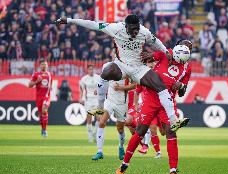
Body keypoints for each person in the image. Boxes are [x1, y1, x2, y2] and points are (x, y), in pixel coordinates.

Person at [55, 14, 189, 132]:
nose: (136, 31)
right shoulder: (115, 28)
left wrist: (166, 51)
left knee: (160, 85)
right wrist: (69, 20)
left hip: (139, 68)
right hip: (122, 66)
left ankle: (173, 120)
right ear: (126, 26)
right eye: (133, 29)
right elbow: (93, 25)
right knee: (106, 71)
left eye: (137, 28)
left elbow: (156, 42)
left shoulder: (144, 32)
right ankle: (100, 107)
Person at [115, 44, 192, 174]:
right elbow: (150, 57)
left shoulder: (187, 67)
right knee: (140, 131)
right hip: (150, 98)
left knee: (170, 132)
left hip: (167, 102)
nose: (181, 62)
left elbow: (182, 92)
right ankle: (123, 166)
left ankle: (173, 172)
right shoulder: (165, 53)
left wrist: (180, 86)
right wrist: (147, 55)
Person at [92, 62, 136, 161]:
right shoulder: (108, 66)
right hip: (110, 101)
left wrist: (121, 88)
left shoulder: (129, 68)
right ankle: (99, 151)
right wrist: (98, 89)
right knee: (102, 122)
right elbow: (103, 81)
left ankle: (121, 147)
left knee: (120, 128)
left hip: (122, 104)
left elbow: (135, 85)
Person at [28, 59, 52, 137]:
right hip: (39, 97)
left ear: (47, 66)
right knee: (41, 114)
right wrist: (37, 81)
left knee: (44, 110)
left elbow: (49, 87)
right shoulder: (36, 74)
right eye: (42, 64)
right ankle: (42, 128)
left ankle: (45, 130)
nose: (44, 66)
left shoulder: (50, 74)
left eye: (45, 64)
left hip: (46, 97)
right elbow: (29, 85)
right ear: (39, 66)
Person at [79, 64, 100, 142]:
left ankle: (94, 133)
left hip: (96, 100)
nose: (91, 70)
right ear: (87, 70)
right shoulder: (84, 79)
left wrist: (98, 91)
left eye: (92, 69)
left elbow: (101, 87)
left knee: (99, 118)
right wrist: (81, 98)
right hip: (88, 100)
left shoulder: (98, 77)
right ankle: (90, 136)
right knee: (89, 118)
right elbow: (81, 89)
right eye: (90, 69)